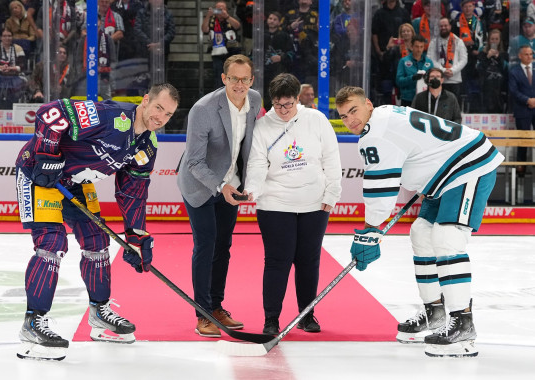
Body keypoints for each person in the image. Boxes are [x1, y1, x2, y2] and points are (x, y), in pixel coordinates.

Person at [14, 83, 180, 361]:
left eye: (169, 114)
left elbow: (133, 192)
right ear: (146, 100)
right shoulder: (111, 117)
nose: (160, 117)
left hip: (75, 183)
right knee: (52, 244)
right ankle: (33, 322)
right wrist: (46, 154)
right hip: (39, 175)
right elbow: (51, 112)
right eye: (158, 108)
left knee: (98, 242)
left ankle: (99, 311)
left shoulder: (147, 146)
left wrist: (136, 235)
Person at [335, 86, 503, 358]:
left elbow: (381, 188)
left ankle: (463, 323)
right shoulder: (385, 114)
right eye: (343, 116)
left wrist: (370, 231)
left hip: (468, 166)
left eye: (354, 110)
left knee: (447, 238)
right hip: (445, 173)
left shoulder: (375, 133)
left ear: (368, 104)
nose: (350, 119)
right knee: (421, 234)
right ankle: (434, 312)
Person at [244, 73, 342, 335]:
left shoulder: (316, 120)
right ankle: (271, 319)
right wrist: (252, 189)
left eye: (288, 104)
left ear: (298, 99)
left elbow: (331, 158)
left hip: (314, 203)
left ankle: (307, 314)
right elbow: (256, 163)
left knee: (309, 261)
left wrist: (332, 193)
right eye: (278, 105)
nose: (283, 111)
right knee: (277, 261)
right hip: (275, 203)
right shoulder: (263, 126)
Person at [176, 54, 261, 338]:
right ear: (224, 79)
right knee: (206, 244)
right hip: (200, 185)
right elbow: (194, 162)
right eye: (234, 78)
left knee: (223, 246)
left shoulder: (256, 100)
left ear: (252, 79)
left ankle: (216, 307)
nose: (240, 84)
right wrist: (220, 186)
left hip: (232, 185)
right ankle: (202, 313)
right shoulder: (204, 109)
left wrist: (246, 181)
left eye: (245, 79)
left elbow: (248, 144)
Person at [508, 45, 535, 177]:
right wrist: (528, 100)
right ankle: (521, 168)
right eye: (526, 54)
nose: (529, 56)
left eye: (531, 54)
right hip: (522, 109)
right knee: (522, 140)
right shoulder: (514, 71)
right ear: (520, 56)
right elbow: (513, 91)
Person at [202, 1, 242, 90]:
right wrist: (208, 15)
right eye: (218, 9)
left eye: (222, 9)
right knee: (218, 75)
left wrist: (226, 16)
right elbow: (204, 29)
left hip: (232, 52)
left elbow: (237, 26)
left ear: (226, 10)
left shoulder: (230, 18)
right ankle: (219, 96)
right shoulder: (211, 20)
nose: (219, 11)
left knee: (233, 74)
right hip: (217, 52)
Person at [427, 16, 468, 100]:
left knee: (453, 108)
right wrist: (443, 70)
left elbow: (464, 59)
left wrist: (453, 70)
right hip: (438, 80)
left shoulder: (458, 41)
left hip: (454, 80)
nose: (443, 28)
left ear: (450, 26)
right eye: (441, 26)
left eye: (445, 25)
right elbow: (430, 59)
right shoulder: (434, 42)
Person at [0, 27, 28, 109]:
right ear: (0, 37)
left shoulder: (18, 48)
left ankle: (12, 106)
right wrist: (1, 67)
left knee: (17, 84)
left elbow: (22, 66)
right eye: (5, 36)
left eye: (9, 36)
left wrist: (11, 68)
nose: (7, 38)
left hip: (14, 75)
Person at [263, 11, 294, 110]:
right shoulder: (261, 35)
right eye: (270, 18)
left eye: (275, 19)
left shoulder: (285, 36)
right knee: (266, 97)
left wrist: (281, 58)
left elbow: (292, 54)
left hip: (279, 73)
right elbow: (252, 54)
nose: (272, 21)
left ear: (279, 22)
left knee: (279, 96)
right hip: (263, 74)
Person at [396, 35, 433, 106]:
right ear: (412, 46)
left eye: (421, 47)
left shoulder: (429, 62)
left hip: (424, 98)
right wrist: (412, 78)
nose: (419, 50)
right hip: (408, 98)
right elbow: (399, 81)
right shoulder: (403, 61)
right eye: (416, 46)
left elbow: (433, 79)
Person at [477, 28, 508, 113]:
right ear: (489, 40)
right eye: (492, 39)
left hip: (500, 88)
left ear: (500, 40)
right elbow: (478, 69)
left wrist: (499, 58)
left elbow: (506, 70)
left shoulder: (504, 55)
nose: (494, 41)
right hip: (486, 87)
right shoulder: (482, 54)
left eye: (496, 39)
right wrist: (487, 57)